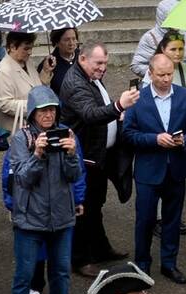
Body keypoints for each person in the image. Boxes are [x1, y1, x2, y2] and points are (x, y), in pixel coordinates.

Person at [8, 86, 85, 294]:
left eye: (52, 109)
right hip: (30, 218)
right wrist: (38, 154)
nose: (48, 115)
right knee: (24, 274)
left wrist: (72, 154)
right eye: (42, 110)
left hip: (62, 216)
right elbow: (22, 178)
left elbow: (75, 176)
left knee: (61, 271)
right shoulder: (21, 139)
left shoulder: (66, 134)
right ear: (32, 113)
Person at [59, 42, 140, 277]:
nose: (103, 68)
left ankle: (101, 248)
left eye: (105, 63)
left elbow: (99, 106)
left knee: (96, 205)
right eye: (98, 63)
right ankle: (81, 259)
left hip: (98, 156)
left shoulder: (90, 76)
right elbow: (90, 114)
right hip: (84, 158)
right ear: (82, 59)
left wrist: (117, 111)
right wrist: (119, 105)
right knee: (83, 208)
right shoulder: (75, 82)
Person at [124, 54, 186, 284]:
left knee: (173, 219)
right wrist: (154, 139)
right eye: (161, 75)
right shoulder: (138, 98)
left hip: (176, 168)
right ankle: (142, 264)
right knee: (145, 220)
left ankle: (169, 263)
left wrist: (184, 140)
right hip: (148, 171)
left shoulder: (185, 96)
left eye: (169, 74)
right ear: (150, 73)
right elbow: (128, 133)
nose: (166, 79)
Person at [0, 32, 55, 134]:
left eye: (31, 48)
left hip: (33, 127)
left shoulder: (27, 62)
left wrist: (46, 71)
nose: (30, 52)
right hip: (16, 130)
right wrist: (34, 105)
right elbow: (5, 104)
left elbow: (36, 89)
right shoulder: (3, 71)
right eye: (26, 48)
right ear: (12, 47)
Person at [131, 0, 186, 78]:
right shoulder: (149, 38)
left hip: (184, 84)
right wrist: (160, 74)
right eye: (174, 16)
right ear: (163, 17)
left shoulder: (183, 33)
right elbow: (137, 65)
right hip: (160, 86)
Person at [39, 28, 80, 96]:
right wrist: (46, 72)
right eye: (66, 40)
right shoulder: (48, 64)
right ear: (57, 43)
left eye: (74, 39)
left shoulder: (83, 56)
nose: (71, 43)